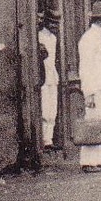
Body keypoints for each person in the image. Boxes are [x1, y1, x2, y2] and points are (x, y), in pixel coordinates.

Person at [76, 1, 101, 173]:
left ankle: (99, 159)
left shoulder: (98, 37)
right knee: (93, 123)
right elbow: (85, 68)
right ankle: (88, 162)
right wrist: (89, 93)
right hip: (95, 89)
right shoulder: (89, 38)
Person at [37, 10, 61, 149]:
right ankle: (44, 140)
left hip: (52, 75)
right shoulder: (39, 37)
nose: (55, 27)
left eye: (56, 24)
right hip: (43, 76)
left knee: (53, 109)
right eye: (52, 23)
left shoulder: (53, 38)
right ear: (46, 22)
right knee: (45, 109)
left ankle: (49, 139)